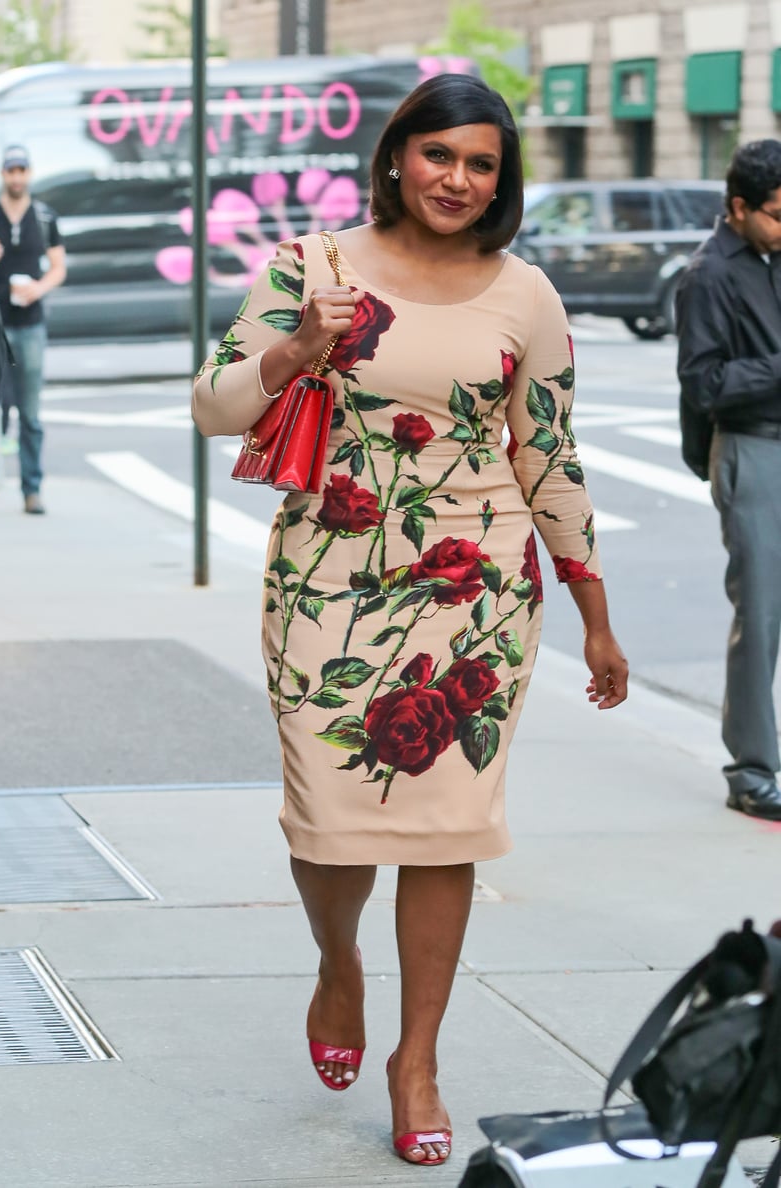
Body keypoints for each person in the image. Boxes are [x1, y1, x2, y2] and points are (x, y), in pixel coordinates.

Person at [193, 74, 628, 1168]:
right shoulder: (313, 266)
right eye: (442, 156)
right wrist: (296, 350)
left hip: (477, 588)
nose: (459, 181)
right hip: (330, 576)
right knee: (329, 819)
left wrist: (594, 609)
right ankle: (338, 966)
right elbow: (212, 404)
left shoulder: (525, 294)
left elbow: (550, 453)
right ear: (397, 156)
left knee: (449, 830)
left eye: (482, 164)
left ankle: (417, 1058)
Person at [676, 139, 781, 823]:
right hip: (753, 450)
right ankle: (751, 770)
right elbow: (704, 383)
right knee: (763, 615)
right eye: (775, 214)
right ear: (738, 207)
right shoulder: (707, 274)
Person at [0, 145, 66, 515]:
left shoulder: (44, 217)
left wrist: (39, 288)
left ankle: (31, 488)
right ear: (3, 175)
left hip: (30, 323)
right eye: (10, 171)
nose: (16, 177)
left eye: (21, 170)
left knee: (30, 413)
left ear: (29, 173)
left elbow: (58, 267)